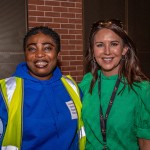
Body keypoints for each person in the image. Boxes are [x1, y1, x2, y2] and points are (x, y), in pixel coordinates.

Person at [0, 26, 85, 150]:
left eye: (47, 48)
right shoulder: (6, 91)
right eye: (32, 49)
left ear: (58, 53)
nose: (39, 54)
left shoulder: (72, 87)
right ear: (25, 54)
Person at [79, 19, 150, 150]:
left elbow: (146, 144)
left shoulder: (142, 90)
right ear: (93, 51)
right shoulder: (86, 83)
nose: (107, 51)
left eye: (114, 44)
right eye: (100, 45)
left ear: (124, 49)